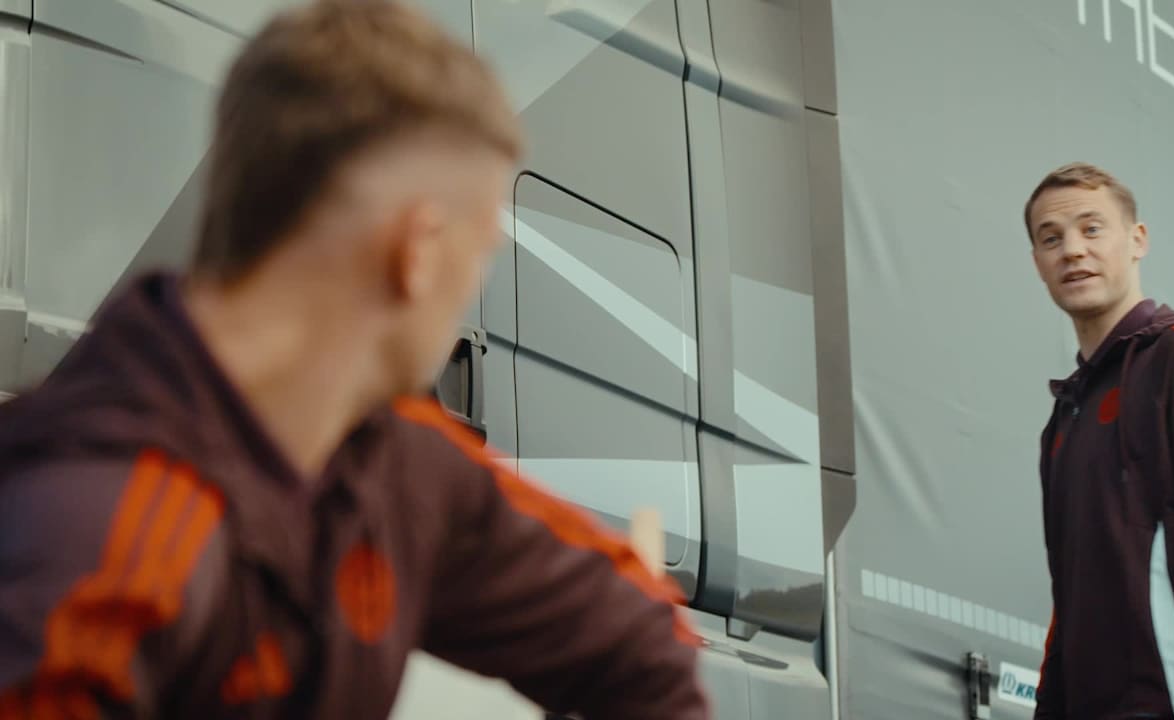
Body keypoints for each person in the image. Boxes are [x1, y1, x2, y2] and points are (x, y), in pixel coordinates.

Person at [0, 2, 709, 718]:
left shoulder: (393, 464)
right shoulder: (103, 527)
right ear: (417, 251)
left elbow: (638, 641)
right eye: (483, 250)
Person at [1025, 162, 1174, 718]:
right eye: (1051, 238)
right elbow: (1069, 606)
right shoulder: (1065, 419)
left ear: (1138, 240)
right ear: (1037, 263)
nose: (1073, 250)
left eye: (1092, 228)